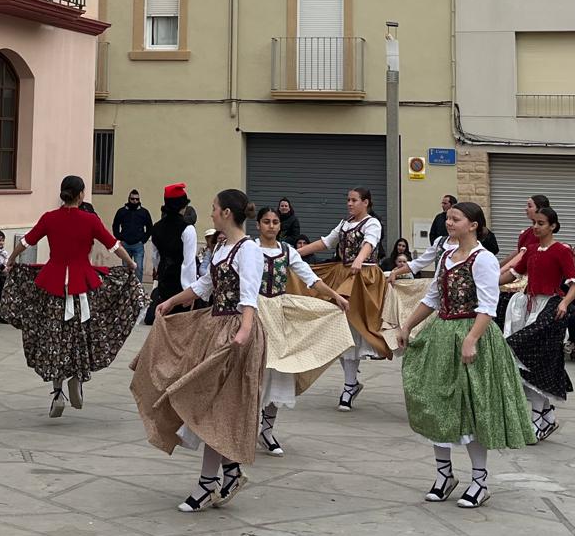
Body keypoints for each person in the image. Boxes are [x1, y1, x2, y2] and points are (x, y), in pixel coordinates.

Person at [130, 189, 266, 513]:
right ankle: (228, 473)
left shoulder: (249, 251)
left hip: (235, 332)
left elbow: (249, 295)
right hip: (215, 326)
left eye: (215, 209)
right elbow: (205, 285)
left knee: (211, 408)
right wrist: (172, 300)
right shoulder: (220, 246)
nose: (212, 213)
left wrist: (244, 333)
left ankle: (209, 484)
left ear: (228, 214)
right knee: (208, 406)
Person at [396, 201, 533, 511]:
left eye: (455, 218)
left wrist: (471, 339)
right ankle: (445, 476)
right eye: (448, 218)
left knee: (472, 408)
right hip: (442, 334)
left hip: (472, 334)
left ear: (473, 225)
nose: (449, 222)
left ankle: (479, 481)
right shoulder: (446, 255)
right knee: (435, 404)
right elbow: (432, 297)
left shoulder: (482, 259)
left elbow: (488, 304)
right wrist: (407, 324)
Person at [3, 175, 144, 417]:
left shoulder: (49, 218)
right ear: (81, 194)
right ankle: (77, 378)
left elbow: (27, 241)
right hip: (82, 285)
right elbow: (113, 245)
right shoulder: (89, 220)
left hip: (53, 284)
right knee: (81, 332)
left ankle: (57, 391)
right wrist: (130, 263)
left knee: (55, 336)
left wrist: (11, 260)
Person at [250, 205, 351, 456]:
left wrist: (335, 296)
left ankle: (267, 431)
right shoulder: (249, 248)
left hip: (279, 313)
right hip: (253, 312)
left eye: (275, 222)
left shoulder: (287, 251)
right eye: (266, 221)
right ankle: (246, 428)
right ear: (258, 225)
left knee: (279, 371)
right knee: (253, 372)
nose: (271, 226)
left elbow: (310, 278)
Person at [295, 187, 388, 410]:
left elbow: (370, 243)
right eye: (348, 200)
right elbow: (325, 243)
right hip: (344, 275)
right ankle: (350, 383)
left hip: (363, 279)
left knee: (354, 328)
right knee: (339, 329)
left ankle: (349, 385)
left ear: (366, 202)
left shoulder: (372, 223)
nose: (349, 204)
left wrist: (359, 259)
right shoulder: (344, 223)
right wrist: (294, 254)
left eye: (354, 200)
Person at [498, 205, 575, 440]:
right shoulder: (531, 249)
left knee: (526, 355)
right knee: (523, 363)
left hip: (549, 309)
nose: (536, 226)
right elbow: (513, 273)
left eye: (541, 223)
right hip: (527, 307)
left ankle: (539, 418)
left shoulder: (562, 250)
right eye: (535, 222)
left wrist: (564, 304)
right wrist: (488, 282)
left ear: (552, 225)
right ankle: (544, 417)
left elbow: (573, 284)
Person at [145, 183, 196, 326]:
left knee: (164, 324)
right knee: (181, 326)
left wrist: (160, 273)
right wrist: (189, 291)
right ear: (183, 206)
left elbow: (155, 257)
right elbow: (189, 262)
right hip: (180, 284)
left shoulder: (156, 227)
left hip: (164, 281)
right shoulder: (188, 229)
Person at [113, 190, 154, 282]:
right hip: (125, 245)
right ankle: (126, 289)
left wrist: (143, 240)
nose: (135, 201)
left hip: (138, 245)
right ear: (129, 199)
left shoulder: (144, 212)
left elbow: (150, 227)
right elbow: (115, 225)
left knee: (139, 268)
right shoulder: (122, 211)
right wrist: (119, 238)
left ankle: (138, 289)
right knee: (125, 269)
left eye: (137, 199)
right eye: (132, 199)